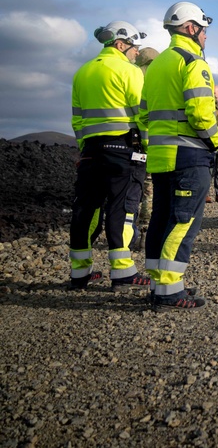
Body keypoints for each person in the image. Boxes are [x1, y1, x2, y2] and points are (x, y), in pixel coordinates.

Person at [140, 1, 218, 310]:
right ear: (191, 28)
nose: (205, 36)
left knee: (162, 218)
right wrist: (217, 142)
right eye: (204, 30)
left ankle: (159, 283)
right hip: (189, 155)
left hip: (161, 155)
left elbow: (144, 115)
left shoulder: (158, 64)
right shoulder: (192, 62)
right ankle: (168, 292)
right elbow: (201, 116)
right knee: (183, 221)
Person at [68, 21, 151, 291]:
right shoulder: (129, 71)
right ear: (120, 44)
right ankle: (123, 272)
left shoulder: (83, 72)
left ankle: (80, 273)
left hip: (91, 151)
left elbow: (77, 120)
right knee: (123, 208)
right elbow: (142, 114)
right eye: (134, 47)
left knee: (86, 209)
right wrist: (146, 147)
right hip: (123, 149)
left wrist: (85, 149)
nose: (136, 53)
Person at [131, 46, 159, 252]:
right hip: (152, 145)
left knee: (130, 191)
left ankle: (126, 234)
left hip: (127, 143)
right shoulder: (156, 81)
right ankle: (145, 234)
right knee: (150, 191)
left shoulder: (130, 75)